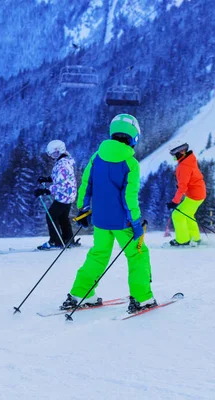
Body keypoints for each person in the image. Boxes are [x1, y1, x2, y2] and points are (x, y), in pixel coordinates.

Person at [60, 114, 156, 314]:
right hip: (122, 223)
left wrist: (83, 210)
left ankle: (80, 294)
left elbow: (86, 184)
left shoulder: (97, 157)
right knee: (138, 254)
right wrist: (136, 222)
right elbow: (129, 197)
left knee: (98, 254)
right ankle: (142, 298)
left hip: (101, 221)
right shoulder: (130, 163)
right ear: (133, 136)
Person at [34, 140, 78, 250]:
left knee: (51, 216)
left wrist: (46, 191)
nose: (52, 157)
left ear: (59, 152)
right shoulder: (65, 161)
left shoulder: (63, 165)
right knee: (63, 217)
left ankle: (55, 241)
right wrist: (48, 179)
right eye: (50, 154)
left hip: (64, 195)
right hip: (69, 195)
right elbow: (61, 178)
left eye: (53, 154)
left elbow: (62, 185)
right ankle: (68, 239)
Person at [166, 141, 206, 246]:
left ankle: (183, 240)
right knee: (188, 214)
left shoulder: (184, 166)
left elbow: (183, 186)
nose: (174, 156)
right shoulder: (189, 160)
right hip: (197, 193)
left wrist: (174, 202)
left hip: (195, 195)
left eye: (174, 153)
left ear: (181, 152)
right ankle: (195, 238)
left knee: (177, 215)